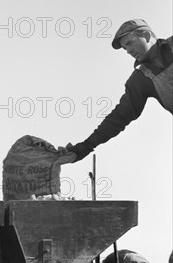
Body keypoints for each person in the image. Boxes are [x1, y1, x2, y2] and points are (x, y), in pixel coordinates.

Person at [68, 19, 172, 161]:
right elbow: (119, 117)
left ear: (146, 36)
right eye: (125, 48)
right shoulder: (140, 80)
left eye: (129, 43)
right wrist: (85, 146)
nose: (128, 51)